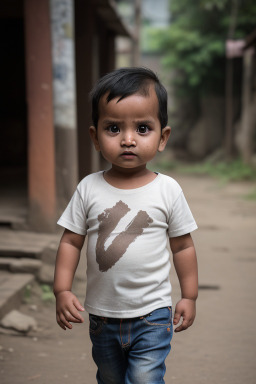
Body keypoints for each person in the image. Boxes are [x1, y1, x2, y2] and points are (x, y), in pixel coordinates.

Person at [53, 67, 198, 384]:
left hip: (153, 314)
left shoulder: (168, 190)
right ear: (95, 137)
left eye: (143, 128)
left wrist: (190, 295)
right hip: (102, 316)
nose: (128, 139)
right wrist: (61, 289)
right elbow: (71, 241)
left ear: (163, 137)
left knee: (145, 379)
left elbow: (183, 245)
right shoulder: (89, 188)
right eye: (114, 128)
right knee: (110, 378)